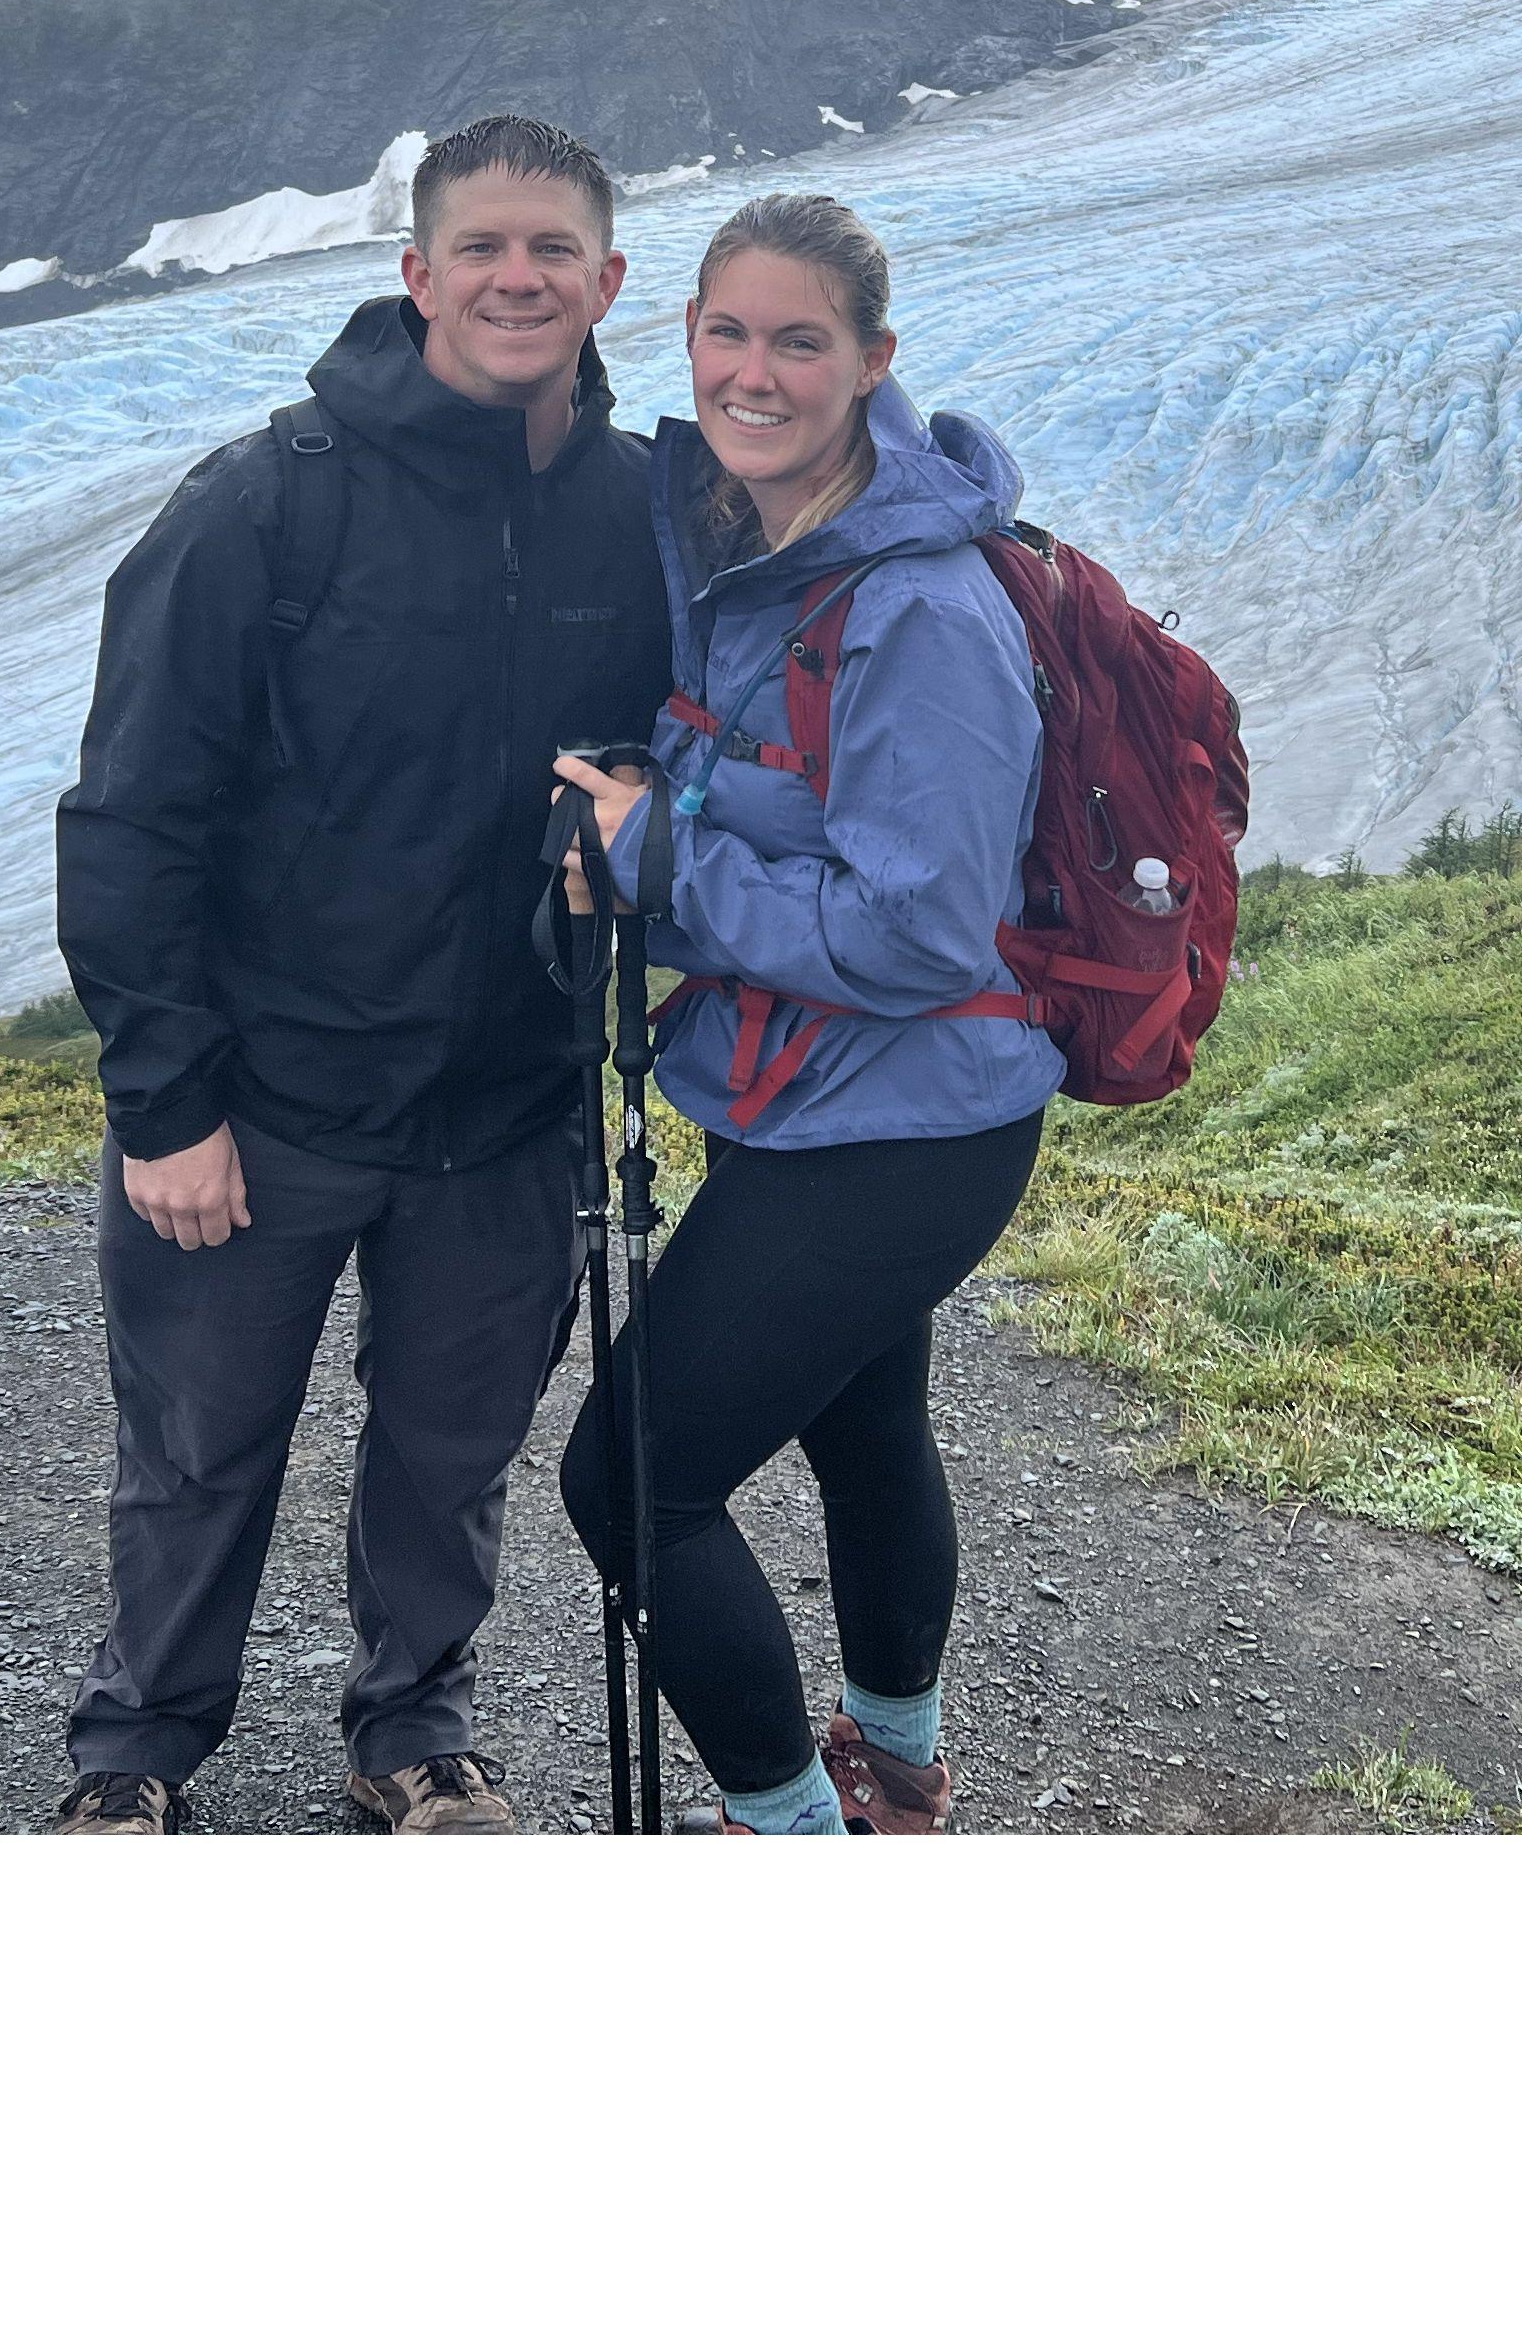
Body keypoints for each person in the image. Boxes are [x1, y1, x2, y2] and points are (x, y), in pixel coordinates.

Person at [49, 111, 672, 1832]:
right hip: (266, 1103)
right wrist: (165, 1102)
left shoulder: (645, 515)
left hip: (504, 1105)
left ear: (610, 280)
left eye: (553, 250)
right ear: (414, 274)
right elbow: (129, 816)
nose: (517, 277)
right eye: (481, 246)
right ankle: (138, 1755)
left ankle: (414, 1730)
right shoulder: (267, 503)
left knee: (448, 1456)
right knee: (195, 1452)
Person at [552, 190, 1056, 1834]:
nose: (753, 373)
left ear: (873, 362)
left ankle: (791, 1833)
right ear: (683, 335)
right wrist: (662, 790)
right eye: (726, 333)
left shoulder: (919, 607)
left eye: (798, 341)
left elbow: (920, 930)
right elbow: (790, 788)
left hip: (903, 1125)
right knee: (863, 1421)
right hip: (833, 1103)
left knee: (629, 1484)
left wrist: (661, 869)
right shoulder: (752, 532)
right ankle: (898, 1772)